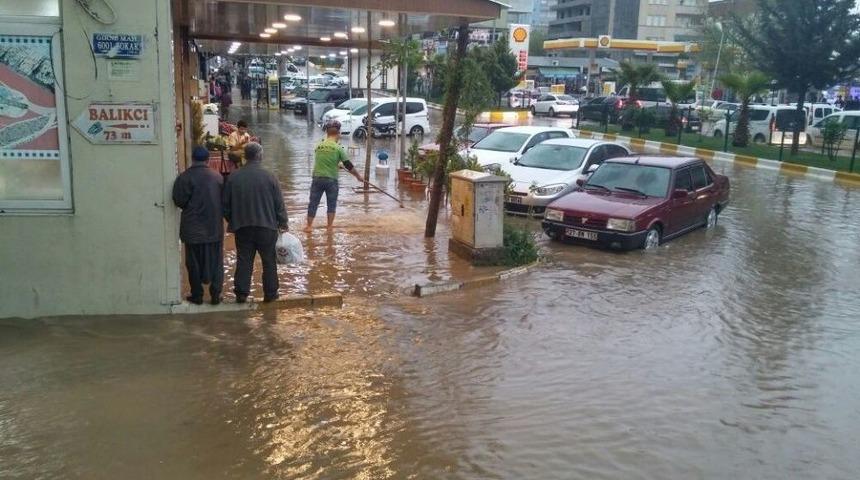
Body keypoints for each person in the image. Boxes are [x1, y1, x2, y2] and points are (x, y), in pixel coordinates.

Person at [223, 142, 288, 303]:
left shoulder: (234, 177)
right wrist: (283, 222)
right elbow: (279, 204)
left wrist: (233, 220)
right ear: (260, 156)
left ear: (245, 156)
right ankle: (271, 294)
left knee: (244, 260)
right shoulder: (270, 176)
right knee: (269, 261)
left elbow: (225, 205)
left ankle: (241, 294)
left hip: (242, 227)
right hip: (267, 227)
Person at [172, 146, 225, 305]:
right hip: (214, 228)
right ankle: (215, 295)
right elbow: (225, 201)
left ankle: (197, 295)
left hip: (192, 229)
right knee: (216, 262)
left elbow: (178, 201)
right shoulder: (218, 177)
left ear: (193, 159)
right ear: (208, 160)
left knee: (193, 263)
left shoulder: (184, 177)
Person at [305, 119, 364, 232]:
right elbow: (349, 166)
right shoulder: (338, 148)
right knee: (331, 204)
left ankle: (309, 226)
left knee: (313, 203)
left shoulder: (319, 145)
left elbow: (323, 159)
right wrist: (358, 176)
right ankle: (329, 227)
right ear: (339, 133)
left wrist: (337, 164)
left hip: (317, 178)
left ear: (327, 133)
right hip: (331, 180)